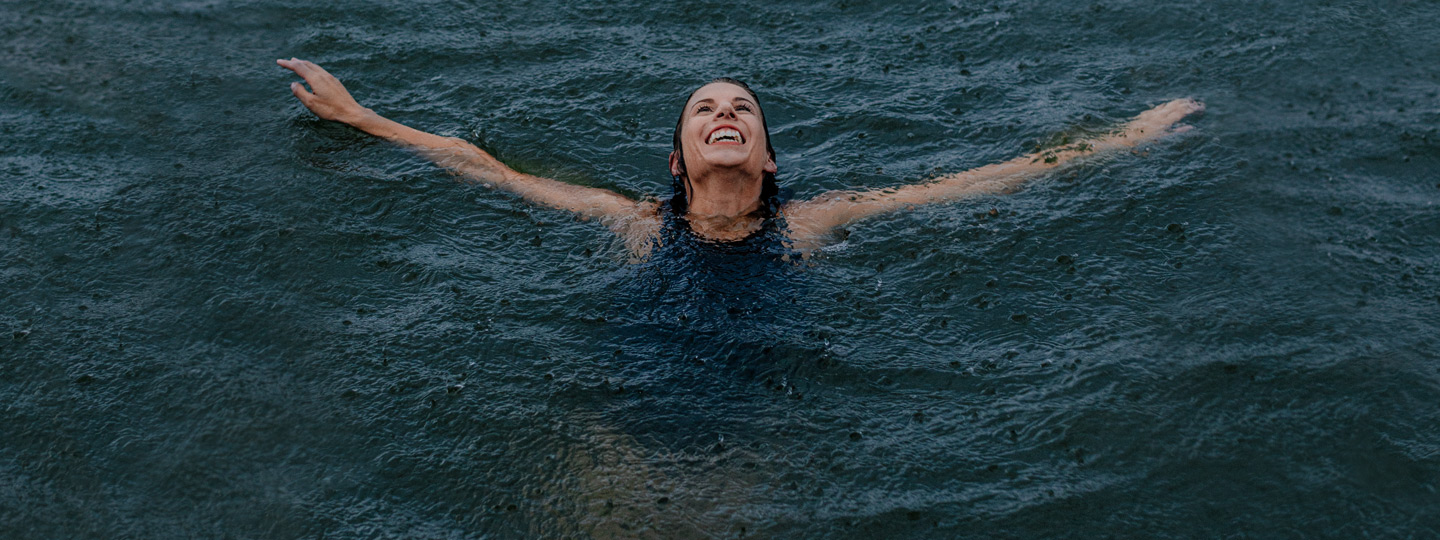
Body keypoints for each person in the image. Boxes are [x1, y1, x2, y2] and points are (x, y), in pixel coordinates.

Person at [277, 58, 1202, 253]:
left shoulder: (812, 218)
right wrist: (364, 120)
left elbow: (974, 181)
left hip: (757, 412)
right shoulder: (632, 218)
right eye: (705, 110)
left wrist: (1126, 137)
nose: (725, 114)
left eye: (742, 109)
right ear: (679, 159)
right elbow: (488, 168)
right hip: (638, 392)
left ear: (764, 157)